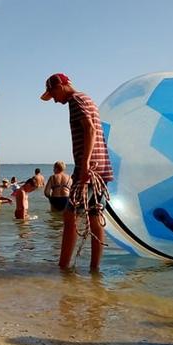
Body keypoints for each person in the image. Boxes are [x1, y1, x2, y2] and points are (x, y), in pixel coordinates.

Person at [41, 73, 114, 272]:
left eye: (53, 94)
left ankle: (63, 268)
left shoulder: (75, 101)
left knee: (69, 216)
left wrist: (85, 165)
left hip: (89, 168)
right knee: (94, 214)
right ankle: (94, 269)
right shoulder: (87, 99)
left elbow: (89, 130)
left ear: (61, 86)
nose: (54, 100)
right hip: (101, 166)